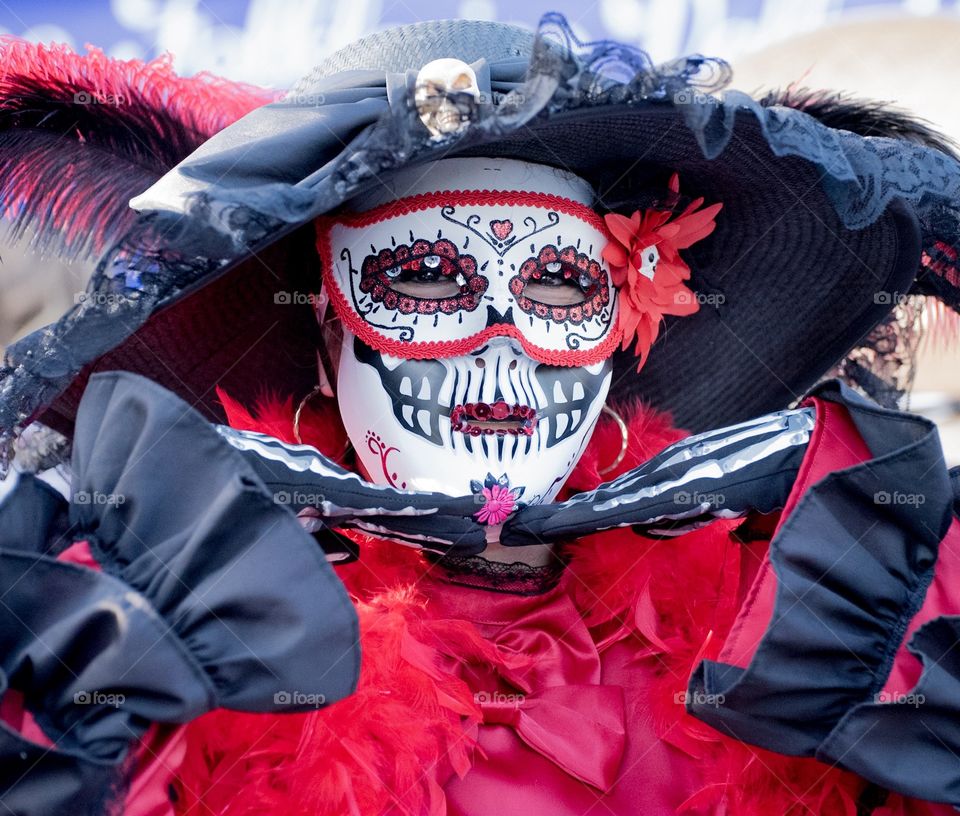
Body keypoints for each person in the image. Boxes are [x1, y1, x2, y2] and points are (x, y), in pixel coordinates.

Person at [1, 14, 960, 816]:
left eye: (556, 285)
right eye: (422, 278)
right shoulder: (158, 629)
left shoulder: (814, 617)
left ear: (627, 320)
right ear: (328, 333)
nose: (497, 342)